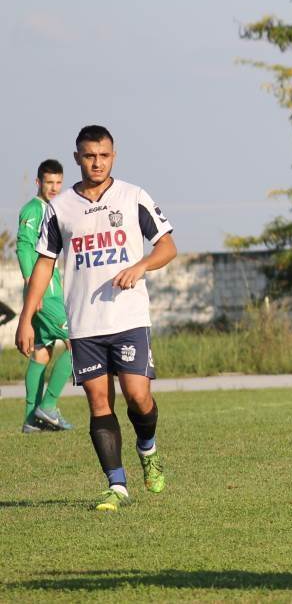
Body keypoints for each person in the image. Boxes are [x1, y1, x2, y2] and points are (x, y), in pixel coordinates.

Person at [14, 125, 176, 510]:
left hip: (128, 318)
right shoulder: (59, 208)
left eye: (104, 155)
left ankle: (148, 448)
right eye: (89, 156)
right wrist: (26, 317)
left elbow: (167, 247)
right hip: (85, 323)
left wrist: (140, 266)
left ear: (113, 156)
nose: (97, 163)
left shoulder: (133, 196)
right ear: (78, 158)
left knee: (138, 397)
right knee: (99, 402)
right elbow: (43, 264)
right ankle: (117, 486)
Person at [17, 159, 75, 432]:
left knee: (42, 350)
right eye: (48, 182)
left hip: (50, 291)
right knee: (80, 342)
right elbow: (24, 247)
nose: (54, 187)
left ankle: (31, 420)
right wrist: (33, 288)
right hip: (44, 294)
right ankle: (48, 406)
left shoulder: (53, 209)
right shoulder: (33, 209)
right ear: (38, 182)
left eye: (58, 182)